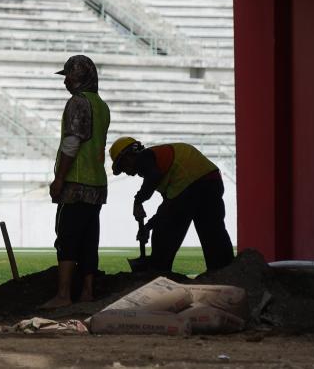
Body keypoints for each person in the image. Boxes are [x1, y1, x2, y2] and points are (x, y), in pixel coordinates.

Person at [43, 55, 109, 309]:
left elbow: (72, 143)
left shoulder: (78, 103)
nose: (65, 82)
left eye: (69, 76)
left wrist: (59, 179)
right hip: (97, 184)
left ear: (79, 78)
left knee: (67, 238)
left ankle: (63, 294)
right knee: (89, 239)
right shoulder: (101, 105)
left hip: (76, 184)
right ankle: (87, 292)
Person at [110, 137, 234, 273]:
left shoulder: (145, 157)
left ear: (128, 156)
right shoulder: (160, 164)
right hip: (210, 180)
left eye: (122, 166)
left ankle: (158, 270)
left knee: (164, 229)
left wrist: (138, 201)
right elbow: (168, 204)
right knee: (212, 231)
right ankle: (224, 270)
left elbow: (155, 179)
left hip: (193, 185)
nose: (126, 172)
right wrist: (148, 226)